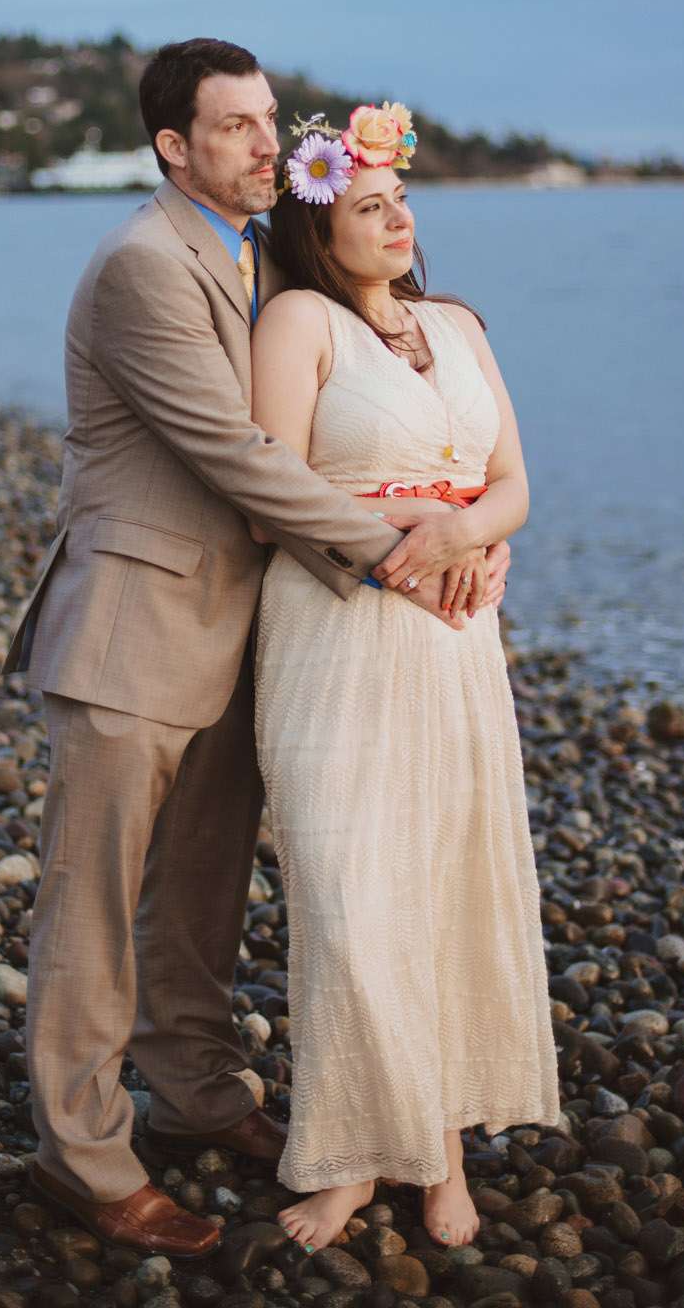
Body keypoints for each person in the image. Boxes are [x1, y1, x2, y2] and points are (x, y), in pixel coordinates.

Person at [0, 41, 512, 1255]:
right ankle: (87, 1160)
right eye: (235, 126)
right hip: (137, 621)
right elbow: (238, 454)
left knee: (203, 887)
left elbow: (347, 387)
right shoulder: (142, 265)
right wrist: (407, 552)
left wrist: (474, 519)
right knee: (92, 904)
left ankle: (196, 1092)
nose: (266, 144)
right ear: (173, 146)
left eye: (271, 119)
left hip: (255, 626)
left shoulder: (265, 257)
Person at [249, 102, 561, 1253]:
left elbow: (514, 480)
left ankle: (440, 1151)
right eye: (369, 206)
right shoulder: (298, 323)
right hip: (339, 633)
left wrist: (472, 530)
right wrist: (409, 542)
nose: (396, 221)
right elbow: (271, 492)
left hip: (456, 642)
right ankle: (346, 1157)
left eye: (400, 201)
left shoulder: (459, 324)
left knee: (443, 885)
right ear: (319, 228)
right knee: (346, 893)